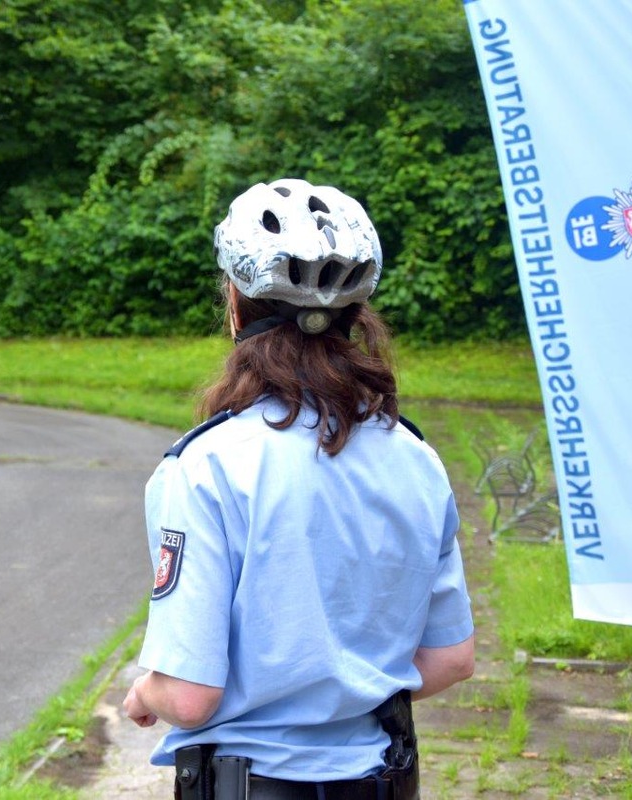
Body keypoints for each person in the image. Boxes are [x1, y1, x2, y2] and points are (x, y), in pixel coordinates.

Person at [122, 178, 475, 800]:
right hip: (381, 780)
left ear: (234, 305)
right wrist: (345, 678)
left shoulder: (205, 467)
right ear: (355, 317)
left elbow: (188, 695)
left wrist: (146, 691)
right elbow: (450, 659)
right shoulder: (417, 459)